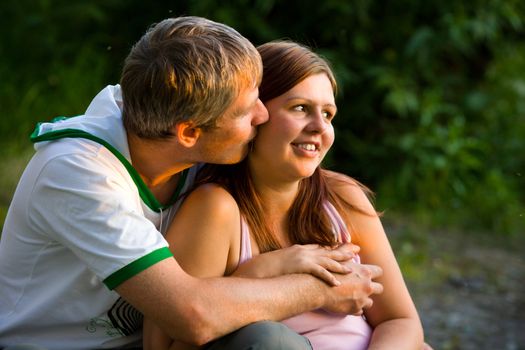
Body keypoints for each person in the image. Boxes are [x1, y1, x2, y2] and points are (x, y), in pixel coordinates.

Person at [0, 17, 384, 350]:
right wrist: (323, 289)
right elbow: (193, 315)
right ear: (189, 132)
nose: (262, 114)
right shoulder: (79, 175)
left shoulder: (179, 136)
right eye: (246, 108)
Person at [144, 40, 425, 350]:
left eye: (328, 114)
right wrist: (264, 270)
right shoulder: (217, 208)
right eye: (300, 108)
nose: (320, 127)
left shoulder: (343, 198)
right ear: (255, 114)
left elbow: (400, 320)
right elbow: (163, 345)